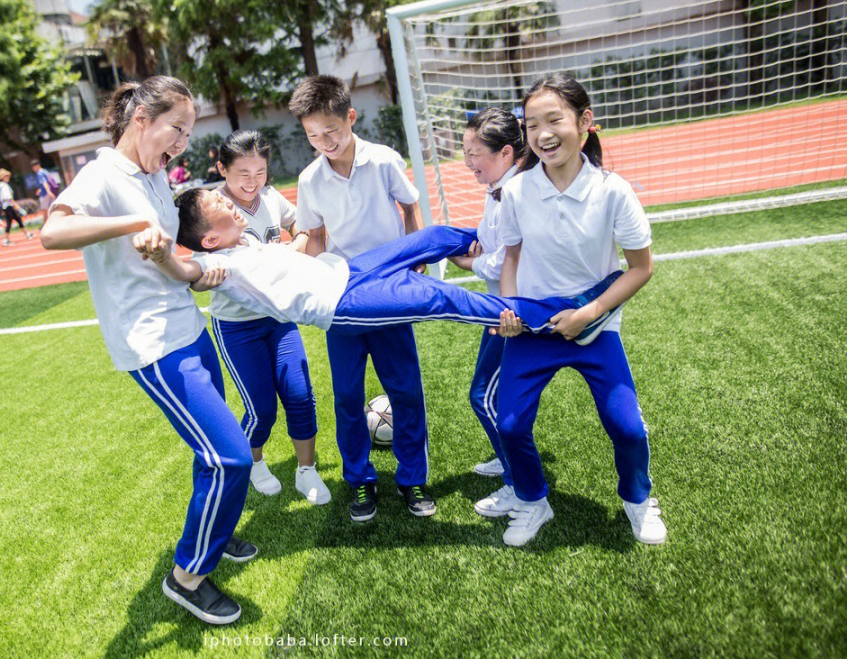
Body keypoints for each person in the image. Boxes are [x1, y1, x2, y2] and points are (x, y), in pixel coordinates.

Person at [40, 76, 257, 626]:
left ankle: (216, 532)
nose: (181, 141)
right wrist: (133, 224)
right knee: (228, 455)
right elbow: (51, 232)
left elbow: (168, 245)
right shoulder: (103, 173)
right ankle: (186, 576)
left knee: (215, 445)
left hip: (187, 324)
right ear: (141, 118)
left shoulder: (155, 172)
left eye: (188, 131)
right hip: (152, 345)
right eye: (175, 128)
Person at [138, 190, 619, 362]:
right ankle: (567, 311)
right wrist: (164, 256)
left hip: (348, 270)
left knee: (429, 238)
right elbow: (189, 275)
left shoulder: (245, 242)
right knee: (442, 297)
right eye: (218, 206)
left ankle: (510, 235)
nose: (227, 202)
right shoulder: (220, 265)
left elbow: (294, 252)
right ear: (209, 240)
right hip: (343, 304)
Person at [493, 72, 666, 547]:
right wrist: (508, 310)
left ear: (585, 122)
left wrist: (589, 314)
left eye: (554, 120)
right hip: (534, 329)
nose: (543, 134)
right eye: (531, 125)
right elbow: (511, 257)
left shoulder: (614, 191)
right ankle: (533, 501)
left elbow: (641, 268)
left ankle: (637, 499)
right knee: (509, 424)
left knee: (627, 427)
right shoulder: (518, 192)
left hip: (594, 327)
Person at [289, 74, 431, 522]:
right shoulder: (310, 178)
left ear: (350, 117)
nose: (323, 141)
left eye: (330, 130)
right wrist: (298, 272)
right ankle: (361, 481)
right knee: (348, 397)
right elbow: (312, 236)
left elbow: (409, 206)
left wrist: (417, 253)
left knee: (405, 389)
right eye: (313, 135)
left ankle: (413, 479)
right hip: (343, 295)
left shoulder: (384, 160)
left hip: (389, 289)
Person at [208, 130, 329, 505]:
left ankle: (306, 471)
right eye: (242, 172)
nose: (252, 181)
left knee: (299, 393)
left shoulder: (272, 198)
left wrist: (293, 247)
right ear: (221, 169)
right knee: (260, 408)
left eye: (259, 171)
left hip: (278, 317)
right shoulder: (214, 208)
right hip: (237, 325)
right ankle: (254, 463)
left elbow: (303, 228)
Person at [446, 108, 527, 518]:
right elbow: (488, 242)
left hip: (514, 313)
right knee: (491, 395)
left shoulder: (514, 192)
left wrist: (466, 262)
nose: (467, 163)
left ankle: (519, 483)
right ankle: (508, 455)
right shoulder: (497, 188)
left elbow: (502, 261)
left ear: (506, 152)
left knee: (486, 396)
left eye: (473, 152)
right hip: (500, 306)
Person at [0, 169, 33, 244]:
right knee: (9, 223)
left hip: (8, 206)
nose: (8, 177)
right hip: (8, 207)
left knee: (18, 220)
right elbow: (9, 198)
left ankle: (26, 234)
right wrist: (17, 206)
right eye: (6, 176)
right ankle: (6, 239)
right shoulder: (4, 186)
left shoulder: (1, 186)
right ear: (3, 178)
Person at [28, 159, 57, 225]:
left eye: (34, 166)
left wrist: (48, 191)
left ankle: (46, 224)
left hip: (45, 194)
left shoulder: (39, 173)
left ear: (38, 165)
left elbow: (44, 182)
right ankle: (53, 222)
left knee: (44, 210)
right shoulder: (44, 171)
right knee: (51, 209)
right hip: (50, 191)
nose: (33, 168)